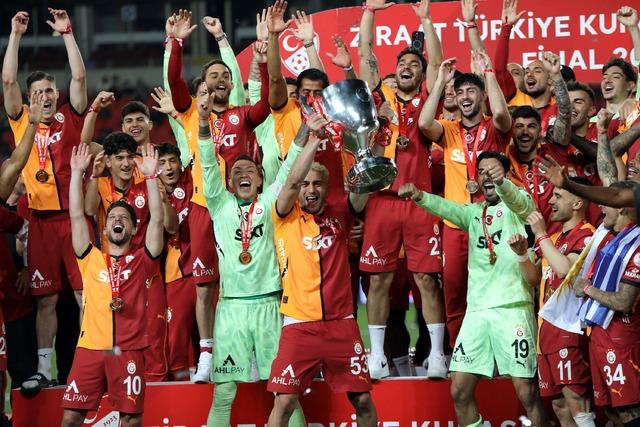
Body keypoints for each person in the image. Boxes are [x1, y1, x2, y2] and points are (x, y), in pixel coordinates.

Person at [398, 151, 548, 427]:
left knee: (527, 392)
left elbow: (520, 201)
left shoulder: (520, 205)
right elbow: (448, 209)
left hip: (512, 309)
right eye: (482, 171)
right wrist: (420, 196)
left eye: (493, 170)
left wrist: (502, 183)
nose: (487, 175)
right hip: (477, 314)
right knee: (459, 389)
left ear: (507, 174)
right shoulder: (474, 214)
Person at [197, 86, 308, 426]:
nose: (243, 174)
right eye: (236, 173)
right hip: (231, 310)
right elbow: (207, 164)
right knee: (223, 393)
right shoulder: (220, 206)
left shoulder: (271, 203)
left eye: (250, 171)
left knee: (285, 393)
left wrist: (307, 129)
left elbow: (290, 168)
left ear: (261, 179)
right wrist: (202, 124)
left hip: (270, 306)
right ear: (229, 184)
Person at [266, 121, 379, 427]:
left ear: (326, 189)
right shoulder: (284, 216)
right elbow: (291, 182)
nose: (311, 190)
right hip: (299, 326)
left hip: (342, 326)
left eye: (317, 184)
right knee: (284, 402)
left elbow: (363, 189)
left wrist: (372, 144)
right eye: (306, 184)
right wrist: (315, 139)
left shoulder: (340, 214)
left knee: (363, 400)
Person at [2, 8, 91, 391]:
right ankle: (43, 369)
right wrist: (15, 35)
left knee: (85, 295)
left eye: (49, 91)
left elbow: (79, 77)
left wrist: (68, 33)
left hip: (74, 220)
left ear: (57, 94)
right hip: (40, 223)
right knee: (46, 301)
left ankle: (90, 363)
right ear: (29, 98)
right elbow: (8, 78)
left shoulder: (71, 116)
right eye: (37, 92)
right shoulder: (22, 120)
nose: (44, 97)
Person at [357, 0, 446, 379]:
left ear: (422, 74)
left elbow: (439, 63)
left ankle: (437, 355)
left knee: (426, 279)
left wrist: (426, 19)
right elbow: (365, 54)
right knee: (379, 280)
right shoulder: (380, 99)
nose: (407, 67)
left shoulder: (429, 101)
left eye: (414, 64)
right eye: (402, 64)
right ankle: (377, 356)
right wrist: (369, 11)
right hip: (381, 200)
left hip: (419, 201)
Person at [61, 143, 164, 427]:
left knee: (131, 420)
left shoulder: (144, 260)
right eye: (113, 218)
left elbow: (157, 220)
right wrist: (76, 174)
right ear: (106, 229)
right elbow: (76, 216)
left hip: (128, 350)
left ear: (133, 229)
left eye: (125, 219)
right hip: (90, 348)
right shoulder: (90, 257)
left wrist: (151, 177)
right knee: (70, 418)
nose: (118, 220)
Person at [418, 51, 512, 349]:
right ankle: (462, 353)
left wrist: (489, 74)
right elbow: (424, 123)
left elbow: (501, 114)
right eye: (460, 93)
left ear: (482, 95)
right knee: (455, 292)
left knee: (495, 290)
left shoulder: (494, 129)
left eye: (471, 91)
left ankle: (497, 351)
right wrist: (440, 82)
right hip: (456, 225)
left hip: (492, 222)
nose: (465, 97)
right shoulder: (448, 130)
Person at [524, 183, 596, 427]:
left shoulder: (587, 235)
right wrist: (522, 255)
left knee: (577, 402)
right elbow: (534, 279)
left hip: (568, 329)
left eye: (558, 196)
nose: (550, 201)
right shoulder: (554, 239)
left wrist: (540, 234)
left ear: (577, 203)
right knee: (560, 406)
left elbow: (566, 270)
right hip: (546, 332)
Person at [570, 180, 640, 427]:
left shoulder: (636, 245)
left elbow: (624, 300)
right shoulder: (613, 239)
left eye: (606, 202)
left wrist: (587, 289)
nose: (600, 207)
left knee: (630, 410)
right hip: (600, 334)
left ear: (621, 207)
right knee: (612, 411)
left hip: (622, 338)